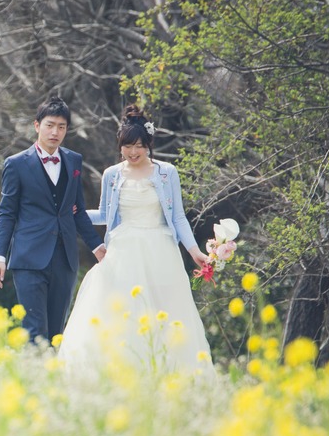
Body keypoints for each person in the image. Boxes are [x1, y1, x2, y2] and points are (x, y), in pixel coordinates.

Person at [57, 104, 212, 372]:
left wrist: (194, 251)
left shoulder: (166, 173)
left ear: (149, 145)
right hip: (123, 251)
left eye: (139, 145)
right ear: (120, 146)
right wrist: (76, 213)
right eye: (128, 146)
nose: (133, 152)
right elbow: (106, 214)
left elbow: (178, 217)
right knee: (121, 313)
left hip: (160, 248)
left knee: (165, 314)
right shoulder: (112, 174)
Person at [0, 97, 106, 344]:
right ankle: (35, 381)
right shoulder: (16, 164)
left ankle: (52, 381)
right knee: (34, 331)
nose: (55, 132)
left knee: (57, 333)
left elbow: (77, 210)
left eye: (62, 127)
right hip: (28, 259)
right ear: (37, 126)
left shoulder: (74, 160)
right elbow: (7, 213)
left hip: (64, 259)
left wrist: (97, 246)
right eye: (50, 125)